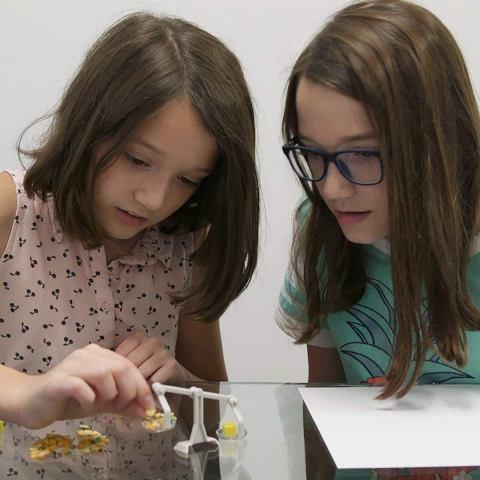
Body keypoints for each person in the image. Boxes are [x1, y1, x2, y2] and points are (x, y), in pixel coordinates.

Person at [0, 12, 259, 429]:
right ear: (90, 125)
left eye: (188, 180)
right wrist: (28, 393)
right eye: (138, 159)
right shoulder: (11, 210)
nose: (154, 199)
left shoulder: (188, 245)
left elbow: (212, 416)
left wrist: (179, 381)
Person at [276, 0, 480, 398]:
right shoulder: (318, 226)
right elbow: (326, 405)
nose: (332, 190)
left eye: (363, 154)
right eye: (313, 152)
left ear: (439, 143)